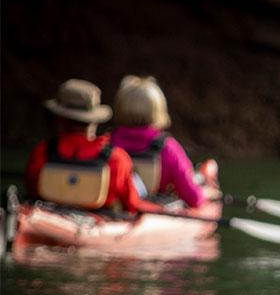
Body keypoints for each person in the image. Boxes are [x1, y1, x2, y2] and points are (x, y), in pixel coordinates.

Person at [24, 79, 143, 214]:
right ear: (94, 120)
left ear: (59, 119)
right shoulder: (117, 159)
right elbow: (131, 205)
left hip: (47, 226)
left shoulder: (41, 152)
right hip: (100, 230)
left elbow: (31, 191)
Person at [108, 76, 206, 207]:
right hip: (151, 212)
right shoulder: (168, 147)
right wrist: (207, 193)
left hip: (114, 211)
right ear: (158, 109)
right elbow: (194, 198)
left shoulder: (106, 143)